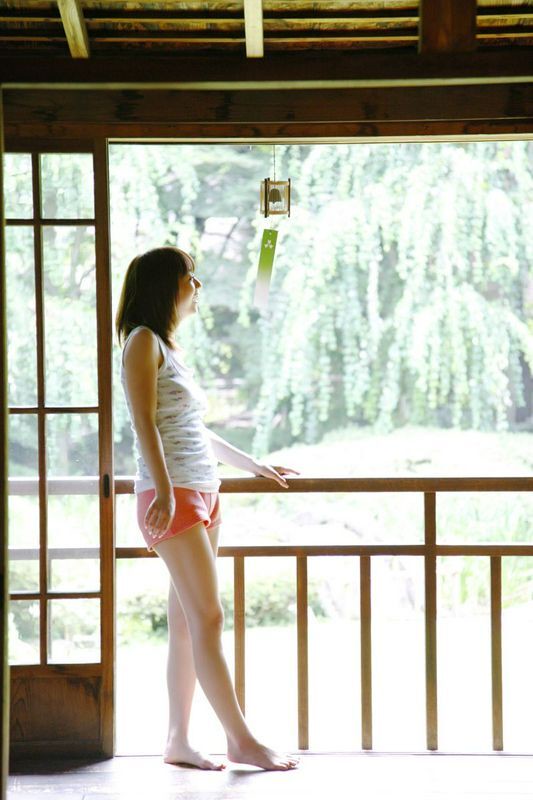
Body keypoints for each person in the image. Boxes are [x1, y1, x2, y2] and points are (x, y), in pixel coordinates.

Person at [116, 246, 301, 772]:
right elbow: (144, 423)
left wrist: (254, 465)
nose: (197, 287)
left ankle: (177, 740)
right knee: (209, 618)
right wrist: (166, 490)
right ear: (165, 286)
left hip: (201, 491)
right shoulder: (141, 340)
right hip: (172, 496)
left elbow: (193, 431)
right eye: (189, 278)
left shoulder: (167, 347)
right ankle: (241, 740)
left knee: (186, 623)